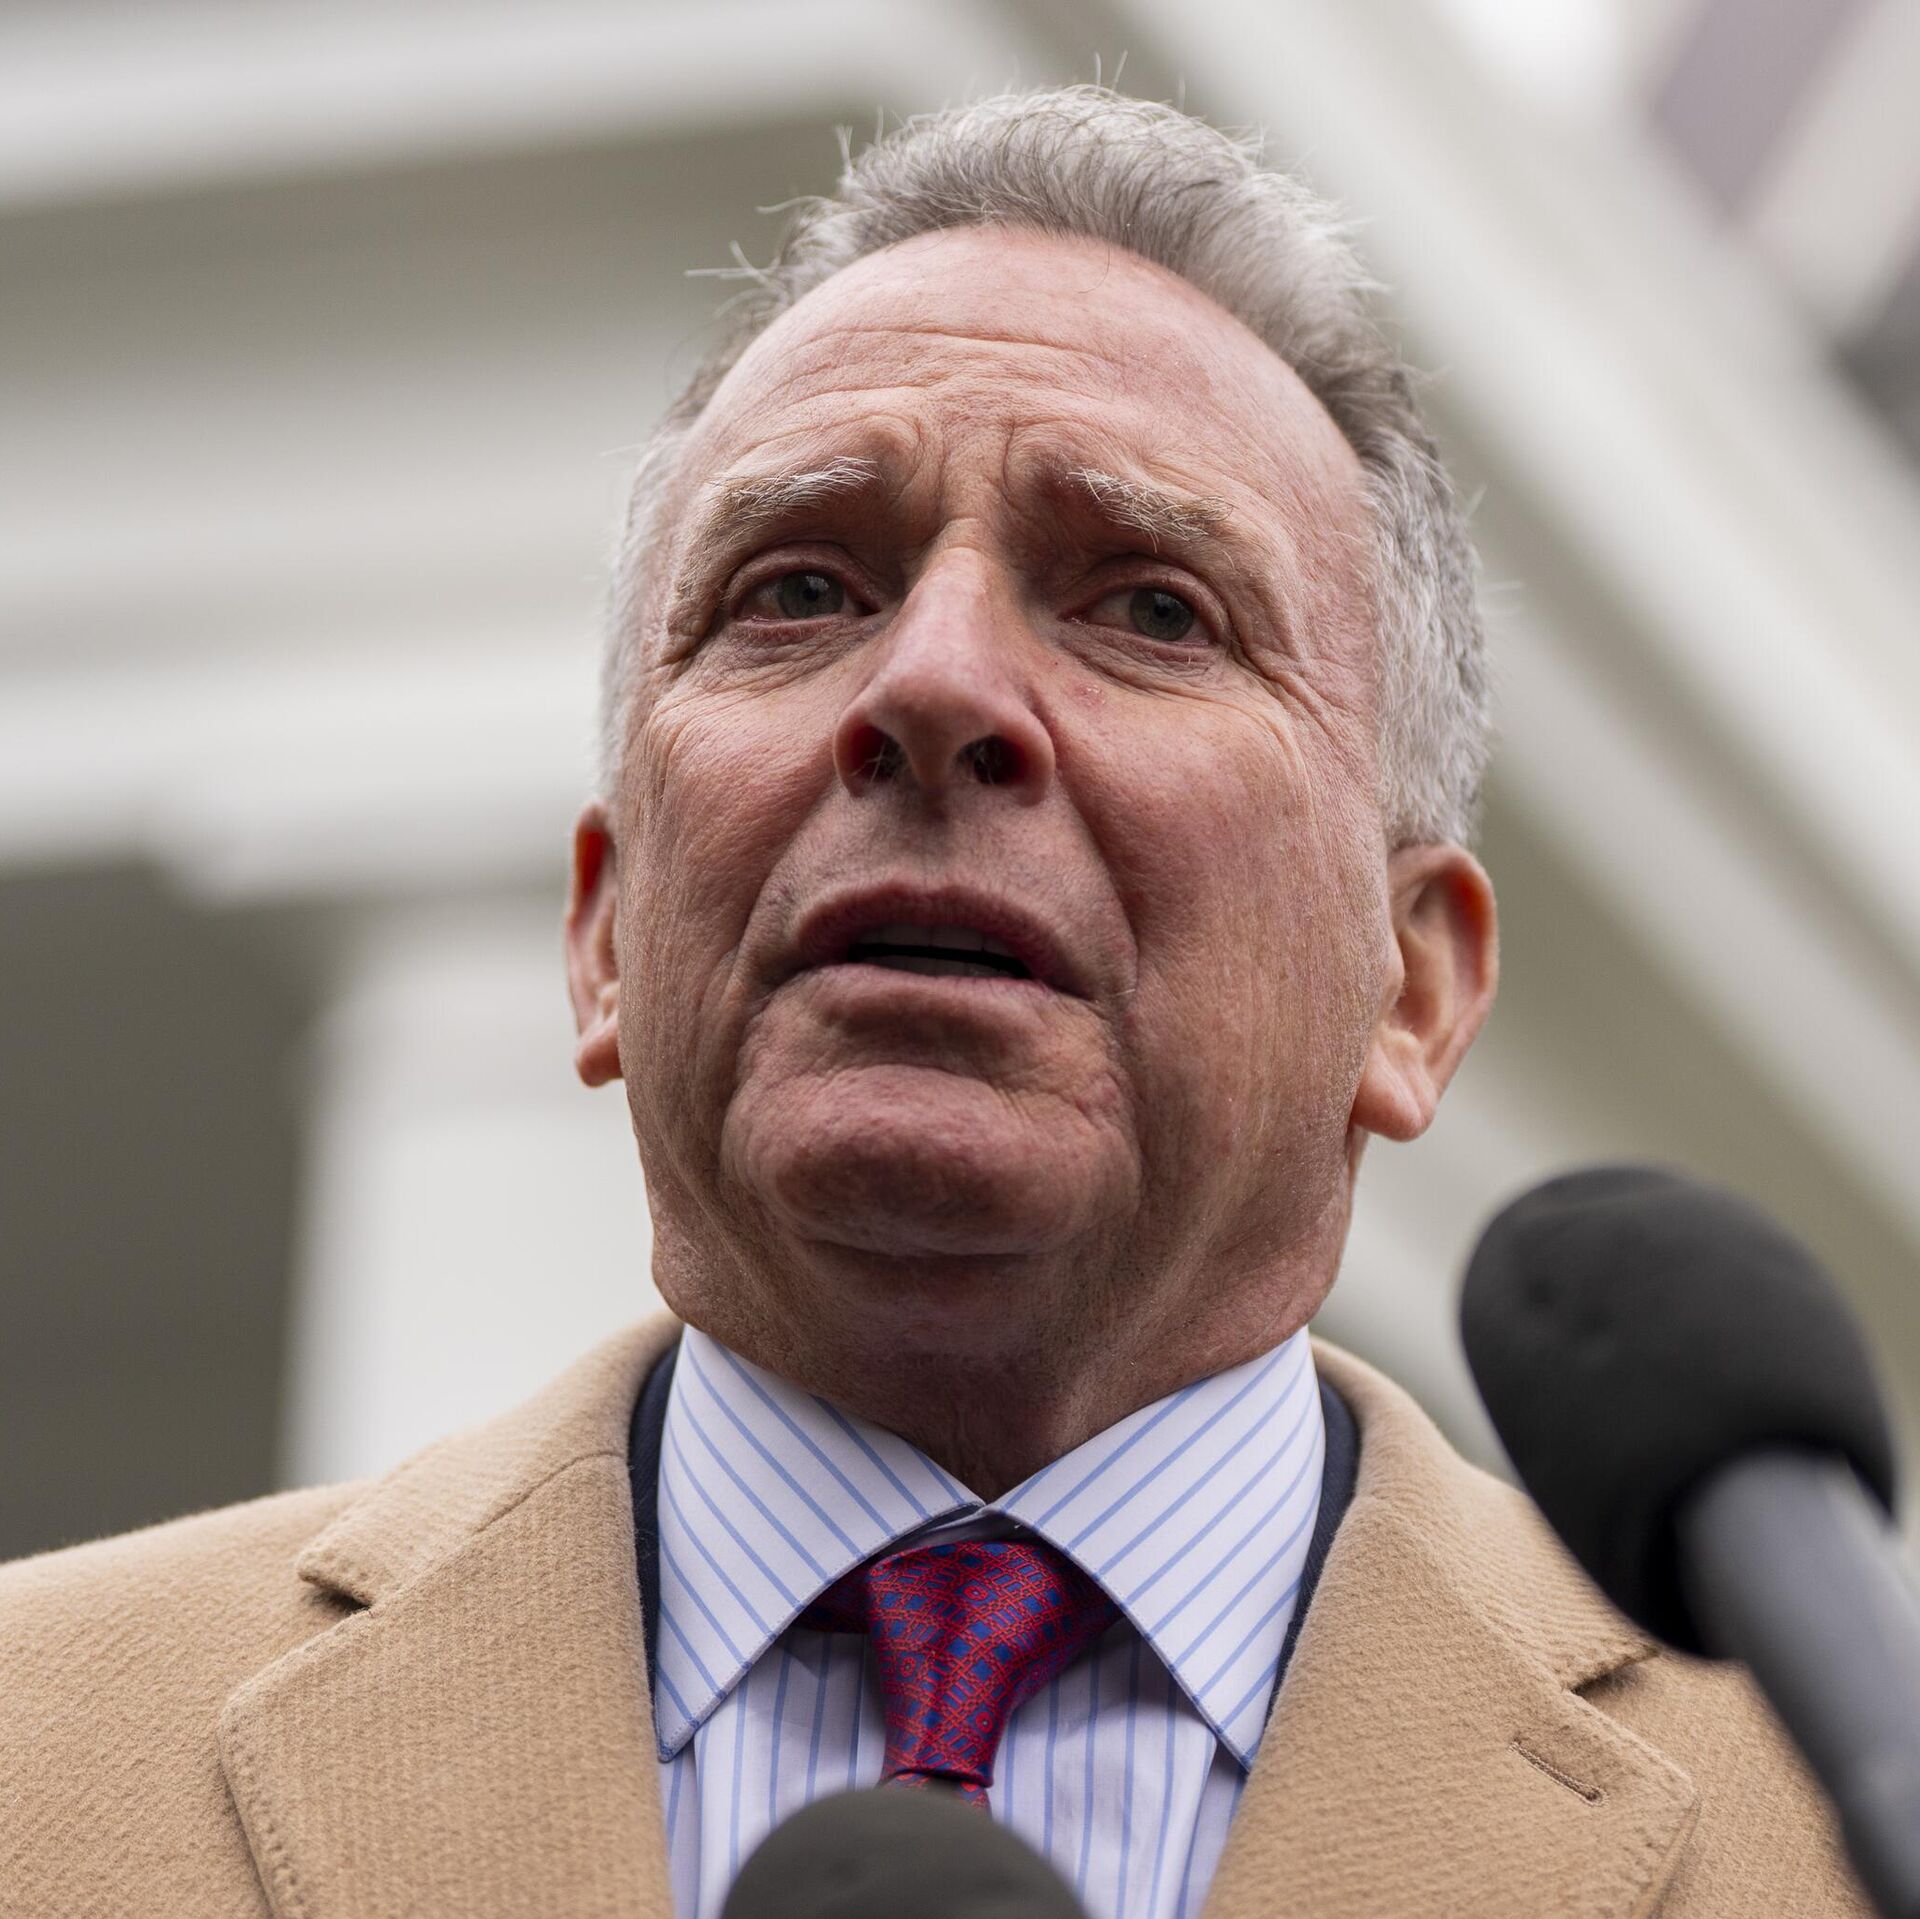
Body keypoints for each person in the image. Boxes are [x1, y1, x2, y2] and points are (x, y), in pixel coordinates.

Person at [0, 87, 1866, 1919]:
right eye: (800, 588)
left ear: (1416, 988)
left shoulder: (1839, 1829)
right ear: (606, 933)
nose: (935, 684)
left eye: (1151, 609)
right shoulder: (37, 1755)